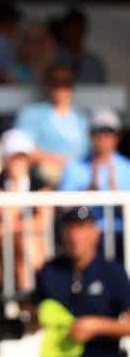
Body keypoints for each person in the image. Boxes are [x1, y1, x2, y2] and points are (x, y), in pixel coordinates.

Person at [32, 207, 130, 357]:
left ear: (95, 233)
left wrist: (98, 326)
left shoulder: (112, 272)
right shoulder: (49, 271)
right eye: (69, 228)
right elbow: (33, 318)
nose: (74, 236)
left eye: (81, 228)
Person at [59, 108, 130, 261]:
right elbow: (64, 208)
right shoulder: (73, 167)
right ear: (90, 135)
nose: (103, 138)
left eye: (109, 132)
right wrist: (91, 187)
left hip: (121, 235)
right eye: (98, 132)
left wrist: (114, 191)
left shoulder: (127, 168)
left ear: (118, 137)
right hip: (84, 235)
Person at [0, 129, 49, 291]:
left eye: (22, 156)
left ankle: (25, 296)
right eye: (15, 157)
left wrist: (11, 227)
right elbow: (2, 215)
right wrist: (16, 184)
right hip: (4, 243)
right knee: (19, 244)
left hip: (29, 243)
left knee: (24, 244)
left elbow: (43, 222)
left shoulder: (41, 185)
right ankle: (19, 296)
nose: (19, 161)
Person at [14, 63, 90, 187]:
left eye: (66, 82)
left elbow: (90, 151)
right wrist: (55, 160)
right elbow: (21, 148)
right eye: (55, 82)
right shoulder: (31, 114)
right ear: (46, 84)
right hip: (47, 174)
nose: (61, 87)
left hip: (81, 172)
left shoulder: (82, 117)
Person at [56, 8, 106, 84]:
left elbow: (103, 92)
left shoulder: (94, 63)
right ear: (63, 29)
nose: (75, 32)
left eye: (79, 28)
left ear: (84, 30)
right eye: (72, 27)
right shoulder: (52, 58)